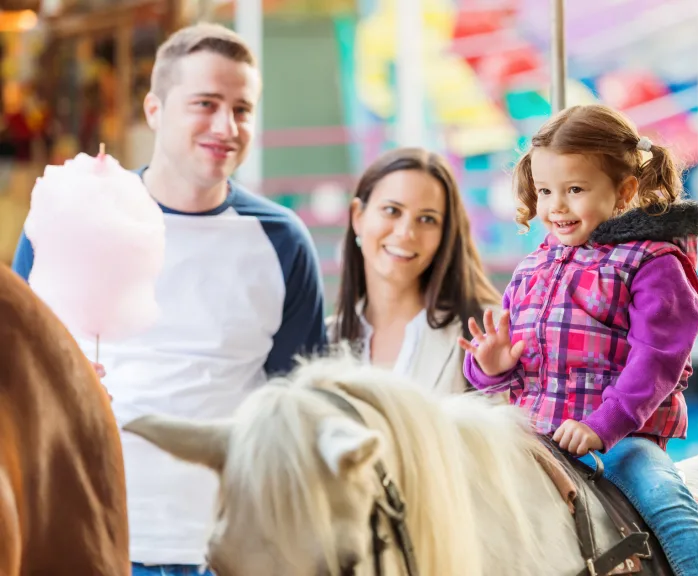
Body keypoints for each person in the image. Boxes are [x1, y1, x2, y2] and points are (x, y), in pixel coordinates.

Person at [12, 23, 327, 576]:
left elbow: (296, 411)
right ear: (154, 109)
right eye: (205, 103)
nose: (226, 126)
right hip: (80, 535)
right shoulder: (70, 218)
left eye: (242, 108)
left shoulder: (282, 243)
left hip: (226, 547)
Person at [460, 104, 698, 576]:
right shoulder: (534, 266)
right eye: (545, 191)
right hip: (532, 431)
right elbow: (517, 367)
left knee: (668, 504)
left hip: (619, 438)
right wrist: (492, 366)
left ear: (623, 191)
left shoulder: (652, 263)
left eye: (575, 190)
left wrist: (603, 425)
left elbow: (658, 360)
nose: (556, 206)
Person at [330, 146, 502, 394]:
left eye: (427, 219)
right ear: (358, 216)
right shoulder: (323, 339)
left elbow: (501, 430)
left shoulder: (486, 332)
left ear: (445, 235)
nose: (406, 233)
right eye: (392, 211)